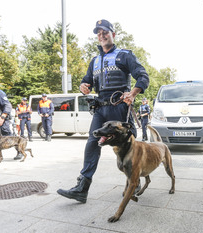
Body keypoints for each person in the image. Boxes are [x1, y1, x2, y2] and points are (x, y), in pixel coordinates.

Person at [57, 19, 149, 203]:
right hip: (100, 110)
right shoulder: (95, 61)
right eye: (98, 33)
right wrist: (84, 86)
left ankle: (134, 181)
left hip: (119, 107)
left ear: (113, 34)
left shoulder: (125, 55)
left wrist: (133, 93)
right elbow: (87, 81)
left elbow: (143, 76)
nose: (102, 36)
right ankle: (82, 188)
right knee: (92, 143)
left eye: (105, 32)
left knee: (126, 146)